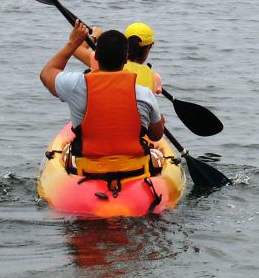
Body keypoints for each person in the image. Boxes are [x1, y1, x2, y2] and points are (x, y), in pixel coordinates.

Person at [41, 20, 167, 180]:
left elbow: (46, 74)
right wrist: (160, 122)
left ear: (97, 57)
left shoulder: (76, 85)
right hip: (134, 171)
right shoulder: (144, 94)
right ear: (125, 60)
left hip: (88, 169)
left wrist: (73, 43)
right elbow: (156, 135)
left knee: (68, 153)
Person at [71, 22, 164, 94]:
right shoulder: (155, 77)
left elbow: (76, 48)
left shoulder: (107, 61)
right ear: (148, 48)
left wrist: (95, 36)